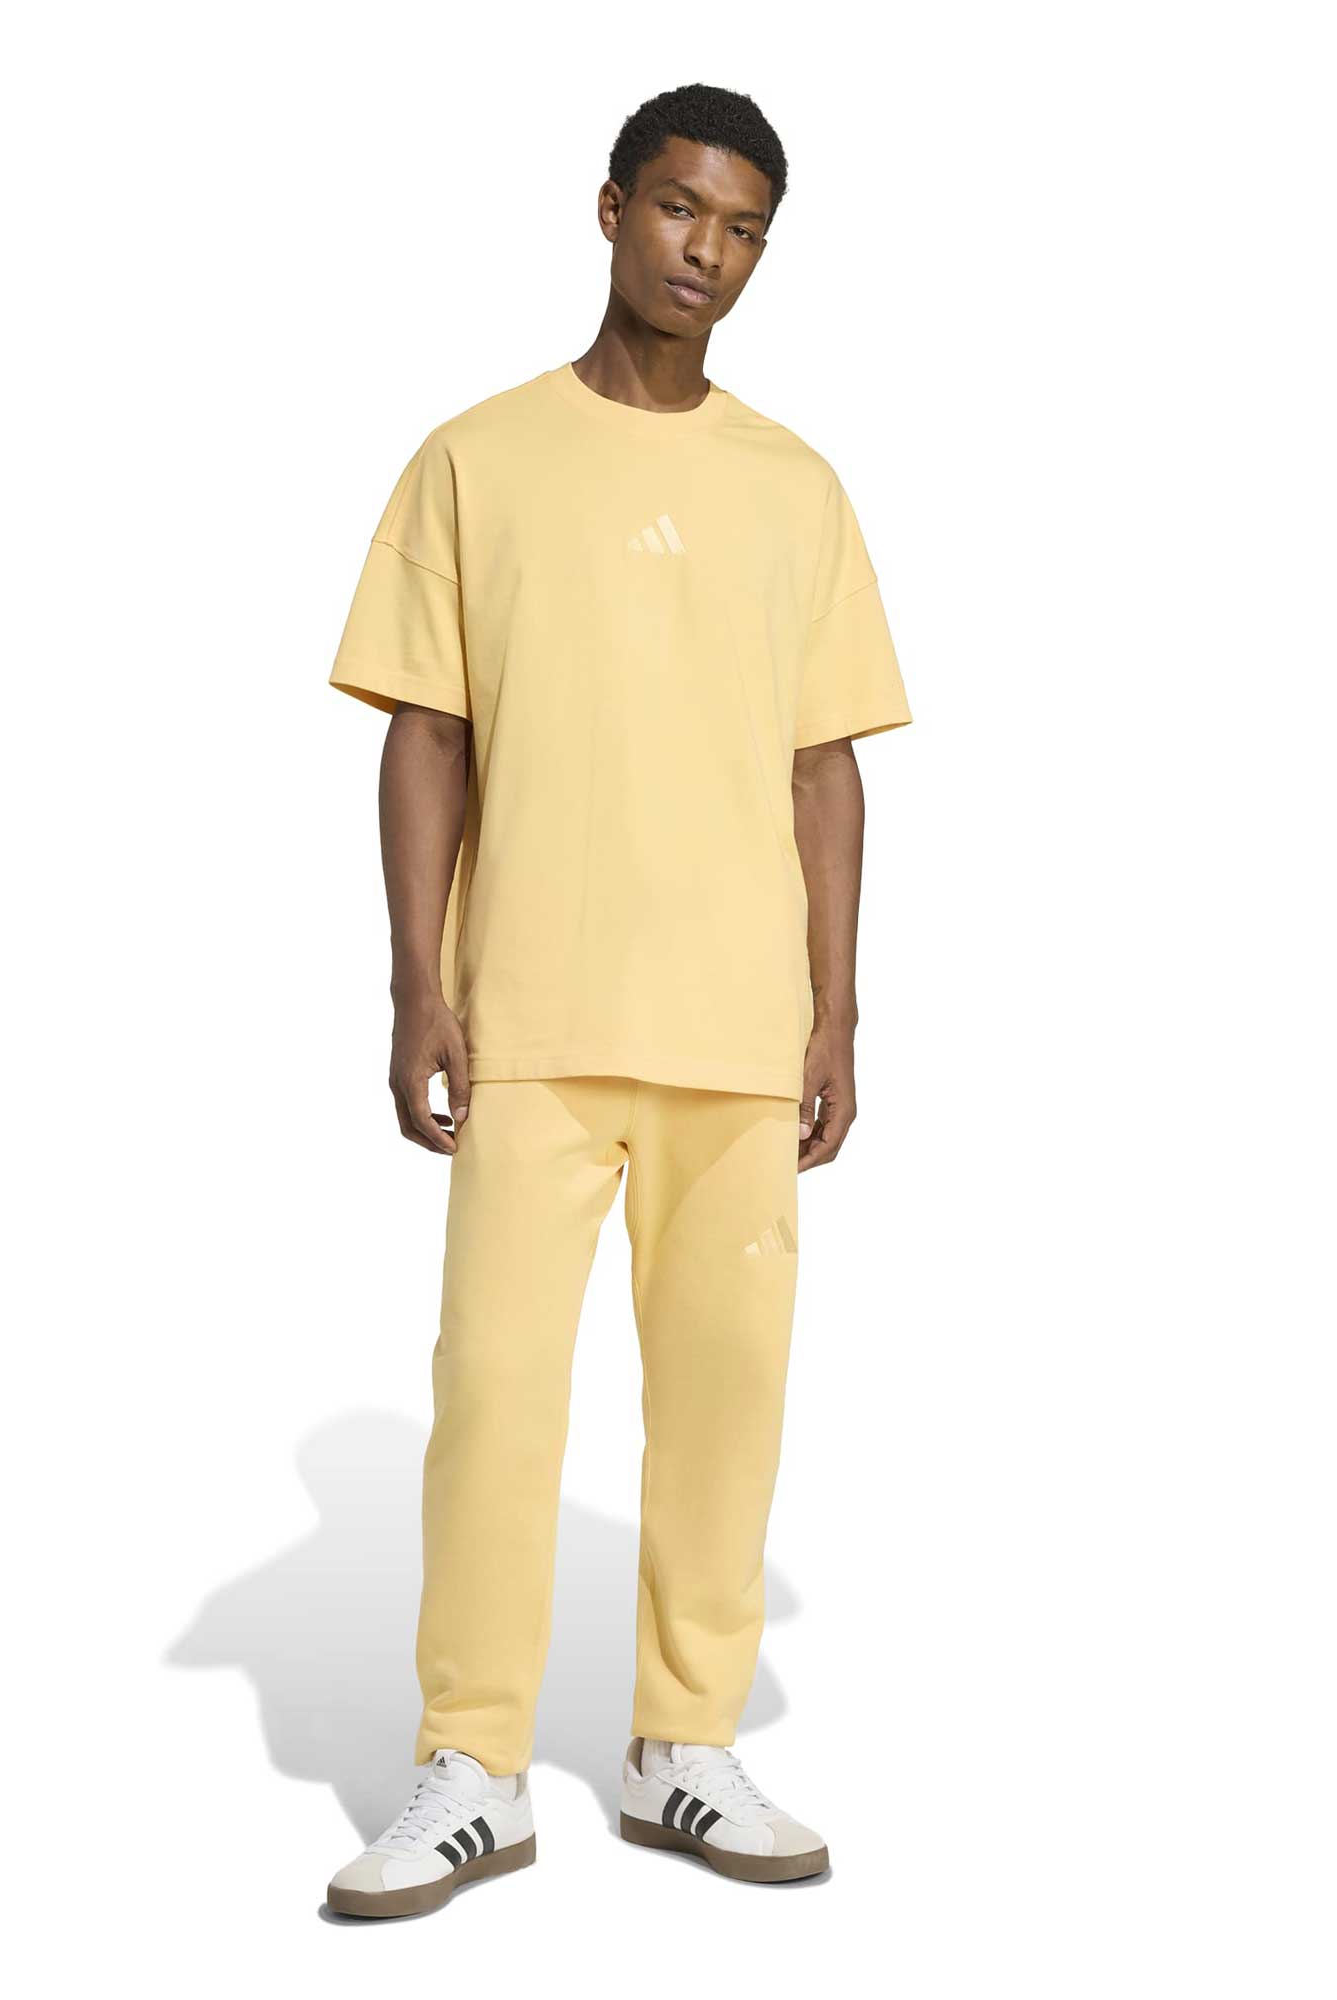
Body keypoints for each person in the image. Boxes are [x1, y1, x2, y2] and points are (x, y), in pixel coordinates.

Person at [324, 82, 911, 1918]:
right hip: (531, 1018)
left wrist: (836, 1011)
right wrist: (416, 983)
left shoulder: (795, 486)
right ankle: (471, 1764)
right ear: (609, 208)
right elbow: (427, 732)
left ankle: (683, 1744)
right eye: (679, 209)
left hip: (737, 1028)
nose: (705, 253)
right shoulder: (478, 458)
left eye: (741, 230)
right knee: (497, 1394)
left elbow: (825, 766)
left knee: (728, 1399)